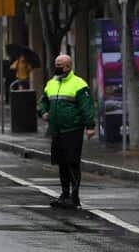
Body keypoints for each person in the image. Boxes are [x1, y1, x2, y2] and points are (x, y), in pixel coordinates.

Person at [37, 54, 96, 209]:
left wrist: (90, 126)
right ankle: (64, 195)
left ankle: (74, 197)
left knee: (72, 163)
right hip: (56, 130)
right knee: (61, 163)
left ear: (68, 66)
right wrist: (43, 112)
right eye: (55, 64)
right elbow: (43, 102)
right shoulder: (51, 83)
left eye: (59, 65)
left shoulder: (79, 84)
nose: (56, 67)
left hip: (73, 129)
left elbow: (87, 107)